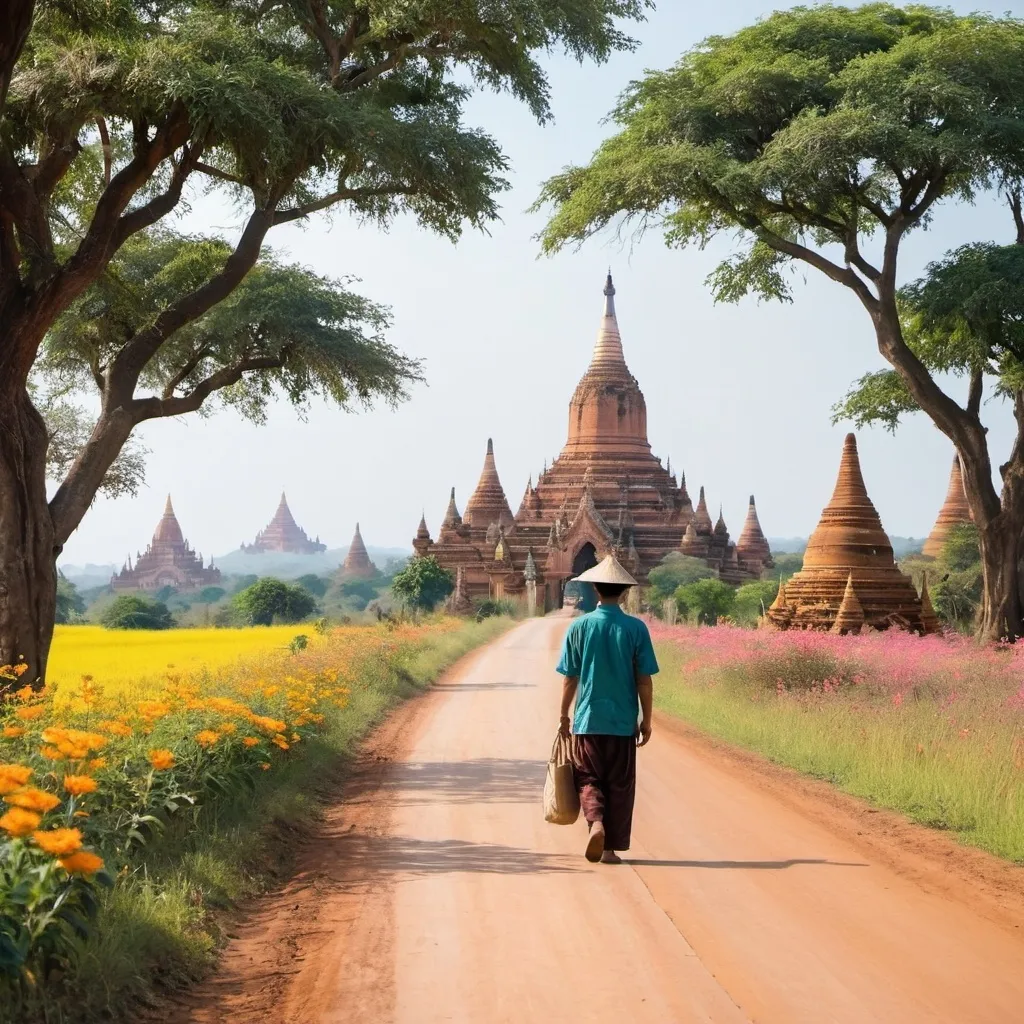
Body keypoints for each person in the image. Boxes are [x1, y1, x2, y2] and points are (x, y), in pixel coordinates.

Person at [556, 554, 659, 864]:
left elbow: (570, 678)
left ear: (595, 591)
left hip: (588, 720)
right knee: (620, 783)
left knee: (588, 779)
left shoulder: (579, 627)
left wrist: (564, 716)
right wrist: (646, 720)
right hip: (623, 721)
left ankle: (596, 822)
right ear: (624, 592)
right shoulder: (636, 629)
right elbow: (644, 680)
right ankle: (610, 848)